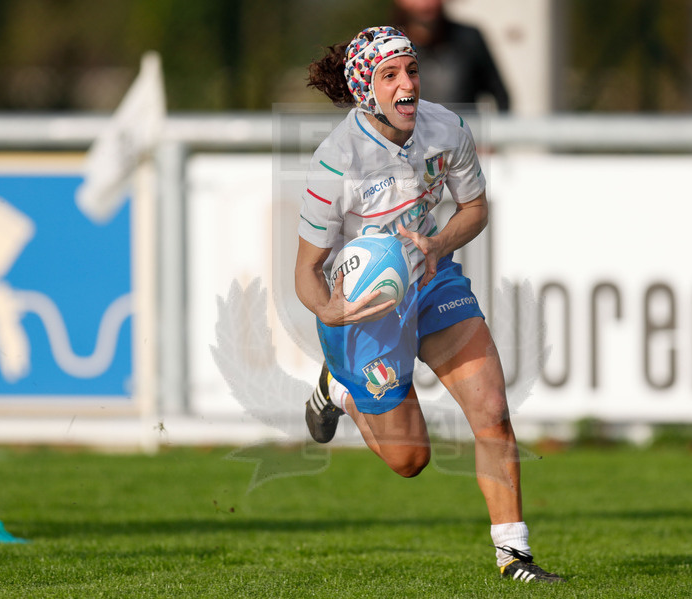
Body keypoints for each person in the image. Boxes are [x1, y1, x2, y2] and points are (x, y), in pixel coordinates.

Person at [295, 26, 562, 584]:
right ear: (367, 91)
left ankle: (514, 555)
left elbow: (476, 207)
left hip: (433, 281)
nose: (407, 84)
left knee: (492, 410)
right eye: (389, 75)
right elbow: (306, 274)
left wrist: (439, 243)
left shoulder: (448, 128)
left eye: (411, 70)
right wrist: (334, 315)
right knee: (410, 460)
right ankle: (338, 387)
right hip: (366, 309)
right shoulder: (334, 163)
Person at [392, 0, 510, 111]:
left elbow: (500, 94)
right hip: (410, 131)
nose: (426, 4)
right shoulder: (388, 44)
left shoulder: (468, 39)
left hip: (463, 128)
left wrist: (500, 129)